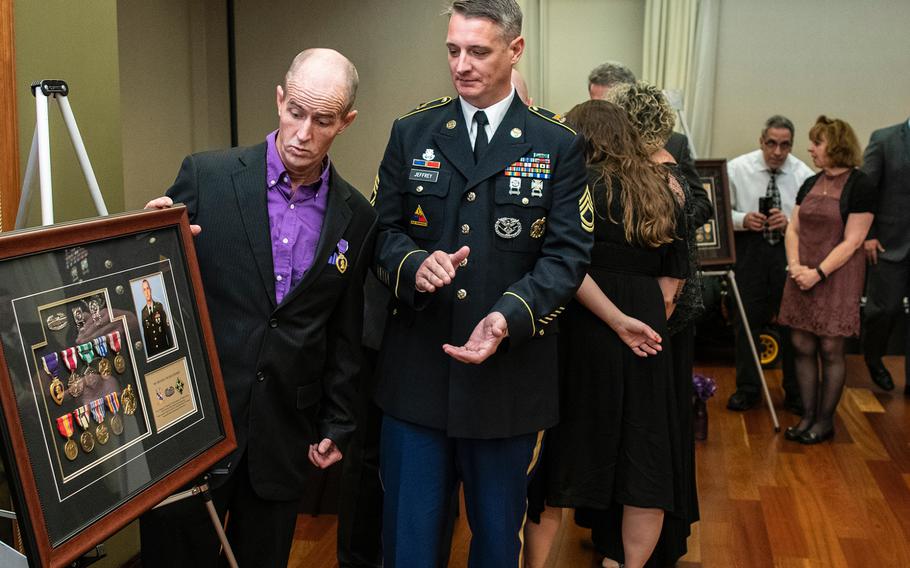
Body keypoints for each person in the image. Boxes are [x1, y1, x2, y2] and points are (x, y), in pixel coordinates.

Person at [371, 0, 593, 565]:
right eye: (453, 50)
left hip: (508, 386)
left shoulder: (556, 144)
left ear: (515, 51)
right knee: (410, 544)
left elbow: (567, 256)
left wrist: (508, 315)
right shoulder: (412, 131)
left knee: (497, 544)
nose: (461, 64)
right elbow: (383, 232)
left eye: (478, 51)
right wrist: (413, 266)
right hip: (418, 377)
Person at [139, 48, 377, 567]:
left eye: (323, 120)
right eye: (295, 111)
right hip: (193, 428)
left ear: (346, 122)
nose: (303, 133)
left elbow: (343, 329)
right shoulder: (206, 176)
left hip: (283, 436)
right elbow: (159, 286)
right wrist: (144, 244)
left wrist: (337, 421)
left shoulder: (357, 216)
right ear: (278, 99)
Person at [524, 99, 687, 568]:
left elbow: (566, 267)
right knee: (644, 460)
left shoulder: (578, 184)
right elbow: (675, 273)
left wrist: (614, 320)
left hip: (586, 327)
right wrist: (645, 320)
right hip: (647, 329)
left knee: (563, 456)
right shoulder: (663, 186)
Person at [779, 116, 874, 444]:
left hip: (836, 276)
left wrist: (818, 272)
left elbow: (853, 241)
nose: (810, 148)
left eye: (817, 142)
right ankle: (806, 415)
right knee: (801, 343)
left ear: (837, 146)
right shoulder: (809, 182)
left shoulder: (861, 185)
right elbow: (793, 227)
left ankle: (824, 421)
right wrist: (795, 267)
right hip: (801, 273)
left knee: (831, 347)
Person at [725, 115, 814, 412]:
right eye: (772, 144)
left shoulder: (803, 174)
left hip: (787, 253)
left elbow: (812, 222)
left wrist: (789, 221)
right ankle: (748, 388)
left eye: (785, 145)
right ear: (761, 141)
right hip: (749, 249)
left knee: (791, 323)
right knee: (746, 321)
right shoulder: (737, 169)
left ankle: (795, 392)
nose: (778, 152)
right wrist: (742, 219)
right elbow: (720, 211)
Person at [587, 61, 711, 226]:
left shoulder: (674, 143)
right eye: (595, 104)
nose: (601, 113)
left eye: (608, 104)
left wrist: (666, 226)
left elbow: (701, 204)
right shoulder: (588, 142)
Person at [860, 117, 910, 395]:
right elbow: (866, 191)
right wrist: (868, 234)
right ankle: (873, 355)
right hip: (889, 243)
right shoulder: (884, 139)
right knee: (884, 311)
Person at [139, 278, 173, 357]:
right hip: (153, 353)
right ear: (143, 292)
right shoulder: (143, 312)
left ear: (150, 290)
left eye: (147, 289)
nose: (147, 292)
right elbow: (146, 337)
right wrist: (149, 356)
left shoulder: (159, 306)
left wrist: (172, 348)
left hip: (164, 349)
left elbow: (167, 329)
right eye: (144, 290)